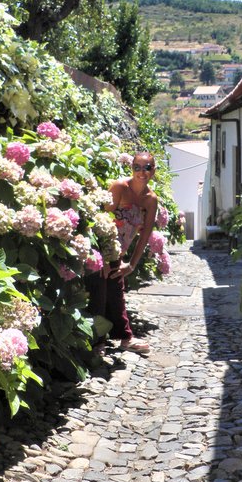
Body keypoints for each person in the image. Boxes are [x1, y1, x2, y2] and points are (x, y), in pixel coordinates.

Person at [87, 151, 158, 355]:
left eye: (147, 168)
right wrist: (102, 257)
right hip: (100, 248)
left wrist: (132, 265)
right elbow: (101, 221)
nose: (142, 172)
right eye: (137, 167)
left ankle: (124, 338)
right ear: (131, 168)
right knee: (99, 293)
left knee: (117, 293)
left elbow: (145, 235)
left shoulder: (151, 200)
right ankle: (97, 341)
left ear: (153, 170)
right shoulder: (119, 187)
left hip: (117, 252)